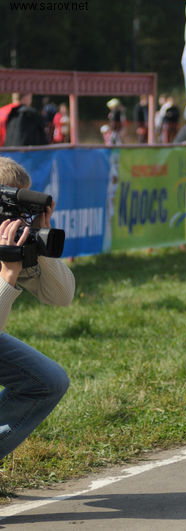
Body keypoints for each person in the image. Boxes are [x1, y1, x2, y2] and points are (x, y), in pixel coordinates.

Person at [0, 157, 73, 460]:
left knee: (47, 381)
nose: (17, 220)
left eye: (22, 210)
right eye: (10, 210)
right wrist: (7, 275)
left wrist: (39, 237)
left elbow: (61, 296)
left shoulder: (11, 242)